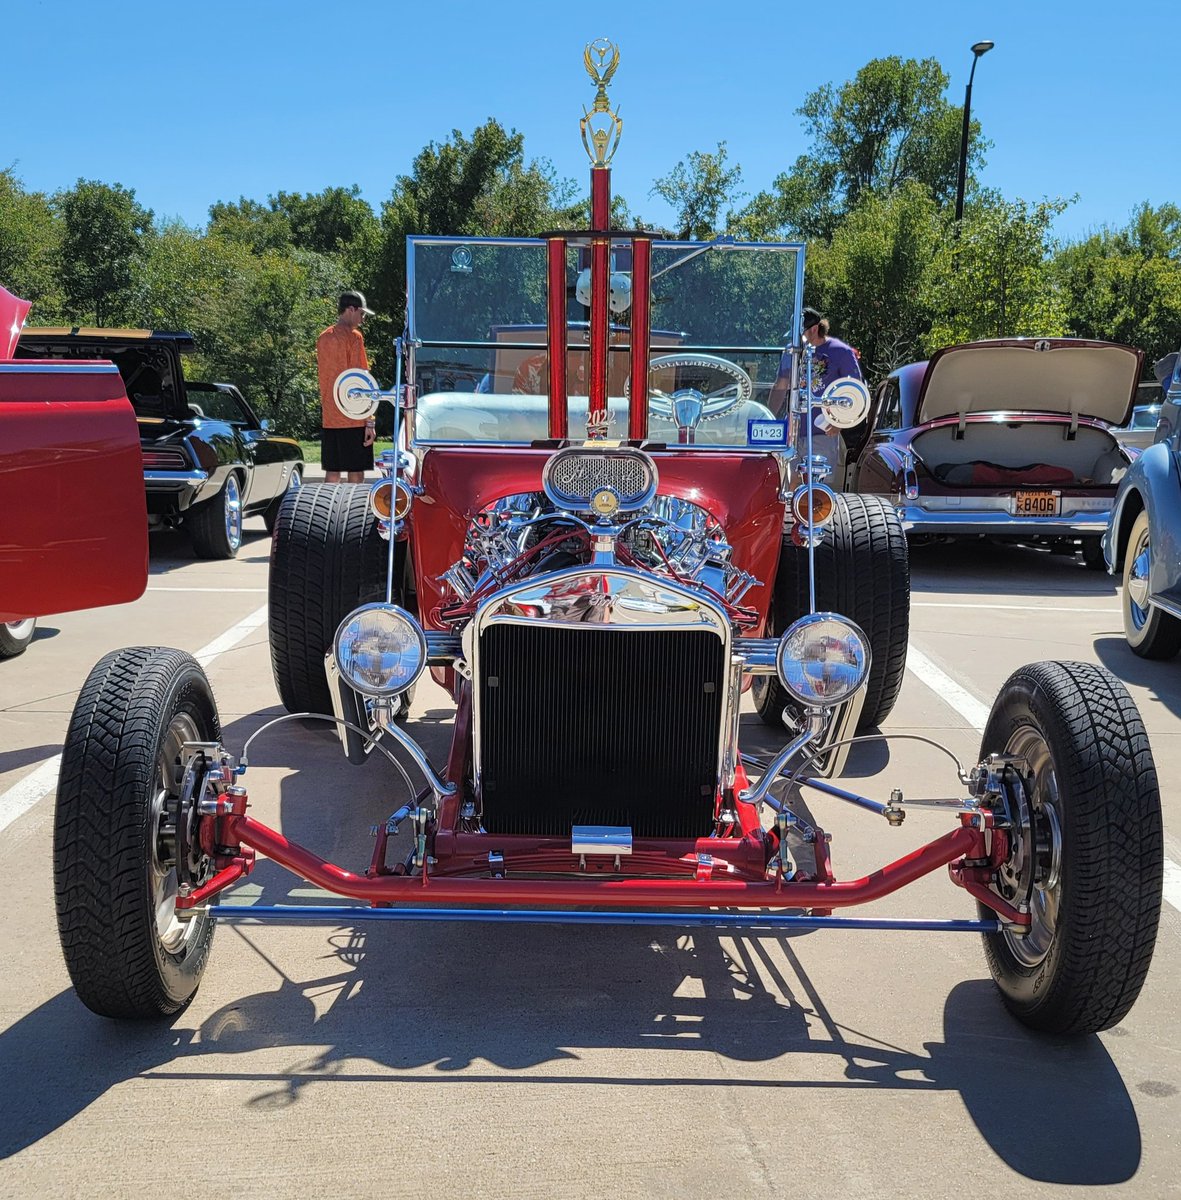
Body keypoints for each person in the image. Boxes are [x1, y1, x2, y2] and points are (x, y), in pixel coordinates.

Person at [317, 290, 377, 483]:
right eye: (362, 314)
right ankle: (353, 512)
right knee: (356, 471)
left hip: (330, 417)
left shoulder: (323, 337)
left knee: (332, 472)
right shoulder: (354, 337)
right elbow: (362, 380)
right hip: (354, 415)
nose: (362, 319)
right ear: (351, 309)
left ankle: (328, 512)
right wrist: (369, 421)